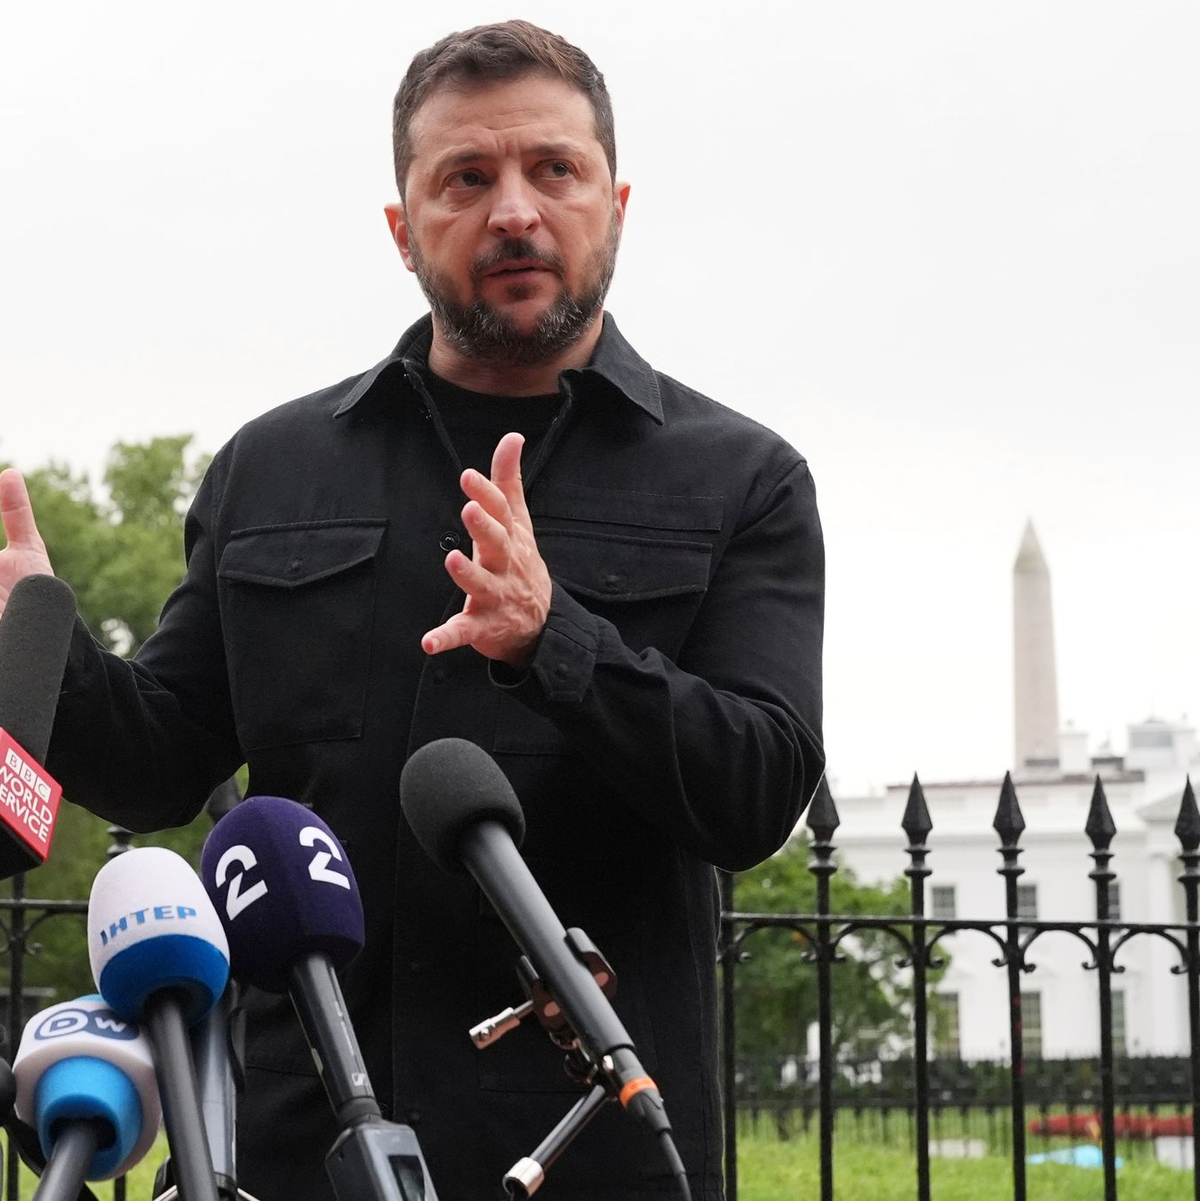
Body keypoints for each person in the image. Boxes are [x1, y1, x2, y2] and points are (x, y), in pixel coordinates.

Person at [0, 20, 824, 1201]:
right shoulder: (272, 470)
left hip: (592, 1150)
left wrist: (559, 643)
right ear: (403, 228)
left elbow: (757, 790)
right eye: (467, 179)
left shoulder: (741, 479)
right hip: (300, 1149)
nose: (516, 212)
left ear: (617, 202)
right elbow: (159, 761)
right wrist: (40, 648)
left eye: (554, 170)